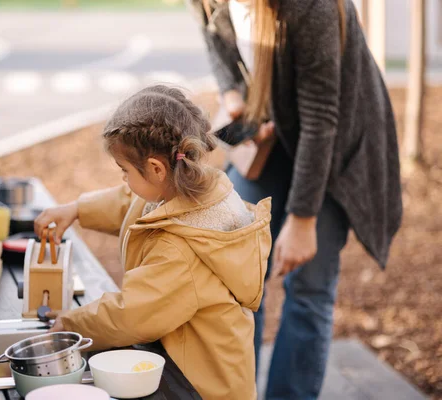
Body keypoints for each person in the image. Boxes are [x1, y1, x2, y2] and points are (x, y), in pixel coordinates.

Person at [188, 0, 403, 398]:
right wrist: (233, 94)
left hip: (336, 147)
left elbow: (322, 115)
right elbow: (213, 33)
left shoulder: (311, 5)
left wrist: (303, 220)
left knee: (309, 287)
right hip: (276, 135)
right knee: (236, 275)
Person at [34, 85, 272, 400]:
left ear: (156, 169)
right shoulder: (189, 187)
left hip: (203, 389)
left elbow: (132, 313)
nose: (123, 180)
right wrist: (77, 209)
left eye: (125, 171)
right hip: (184, 372)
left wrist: (71, 322)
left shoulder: (183, 248)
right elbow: (131, 203)